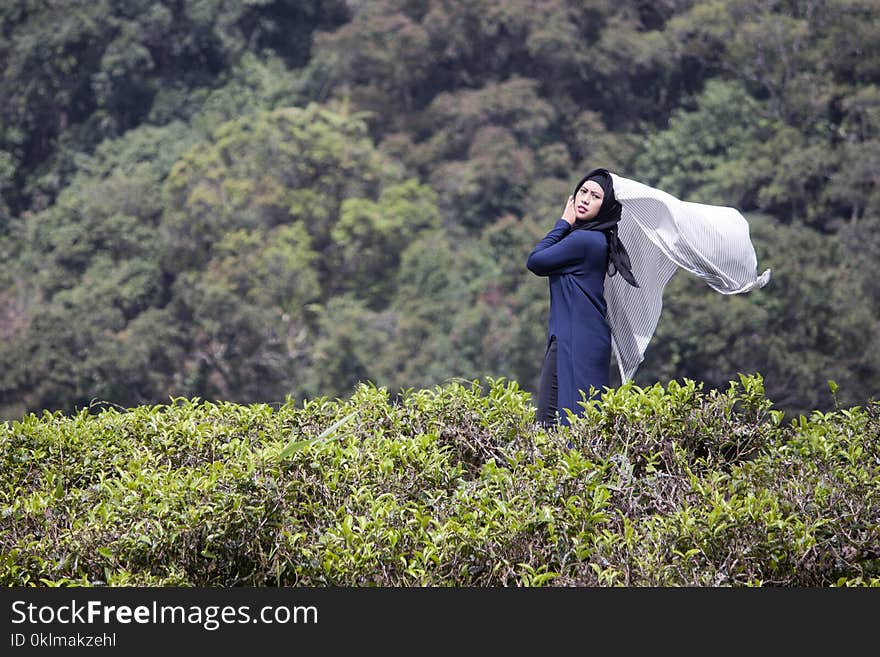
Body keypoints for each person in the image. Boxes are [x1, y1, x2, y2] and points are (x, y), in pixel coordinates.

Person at [526, 168, 639, 427]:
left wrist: (563, 222)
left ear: (606, 205)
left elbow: (536, 261)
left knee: (564, 423)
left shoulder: (586, 240)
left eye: (595, 196)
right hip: (572, 336)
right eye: (583, 191)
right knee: (554, 421)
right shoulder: (593, 238)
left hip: (577, 339)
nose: (585, 199)